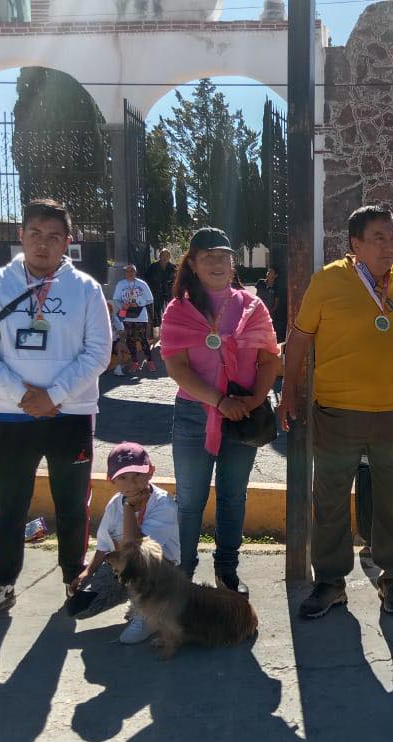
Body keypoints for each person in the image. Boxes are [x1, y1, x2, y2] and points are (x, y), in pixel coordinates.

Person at [280, 205, 393, 618]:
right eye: (378, 238)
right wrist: (289, 392)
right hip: (336, 411)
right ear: (355, 243)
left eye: (392, 237)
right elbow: (298, 340)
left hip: (391, 412)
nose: (389, 246)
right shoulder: (328, 280)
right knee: (330, 500)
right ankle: (331, 582)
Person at [0, 198, 112, 619]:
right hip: (11, 414)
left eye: (53, 237)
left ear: (68, 242)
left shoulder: (86, 289)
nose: (43, 245)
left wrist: (55, 395)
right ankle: (1, 585)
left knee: (72, 503)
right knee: (8, 504)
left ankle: (73, 581)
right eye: (35, 235)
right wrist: (23, 395)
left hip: (72, 413)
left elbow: (98, 353)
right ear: (21, 236)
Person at [160, 228, 281, 593]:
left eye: (223, 256)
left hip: (242, 416)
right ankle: (182, 573)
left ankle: (227, 570)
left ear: (233, 264)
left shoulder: (252, 306)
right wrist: (219, 402)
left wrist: (254, 401)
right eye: (207, 256)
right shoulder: (178, 310)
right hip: (196, 415)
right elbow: (177, 368)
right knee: (191, 500)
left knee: (233, 495)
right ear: (192, 264)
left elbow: (268, 359)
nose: (217, 263)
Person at [66, 442, 180, 645]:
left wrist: (129, 508)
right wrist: (88, 572)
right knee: (79, 608)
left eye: (138, 474)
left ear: (151, 472)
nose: (132, 483)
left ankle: (150, 614)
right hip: (124, 569)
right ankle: (135, 598)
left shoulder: (163, 504)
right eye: (123, 478)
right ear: (112, 480)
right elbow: (104, 545)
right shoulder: (114, 503)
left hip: (157, 570)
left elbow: (135, 550)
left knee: (140, 565)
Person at [112, 264, 156, 374]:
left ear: (135, 272)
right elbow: (116, 299)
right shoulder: (120, 284)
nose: (129, 273)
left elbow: (150, 299)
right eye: (127, 271)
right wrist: (123, 305)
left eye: (132, 271)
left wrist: (139, 303)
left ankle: (150, 361)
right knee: (130, 339)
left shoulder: (142, 284)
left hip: (140, 315)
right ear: (125, 273)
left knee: (142, 339)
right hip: (127, 315)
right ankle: (135, 362)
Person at [145, 248, 177, 328]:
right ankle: (158, 329)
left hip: (169, 293)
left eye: (167, 255)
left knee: (171, 310)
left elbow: (177, 280)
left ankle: (171, 326)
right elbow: (147, 279)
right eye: (163, 255)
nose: (165, 257)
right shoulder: (153, 267)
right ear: (160, 256)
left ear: (169, 257)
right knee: (156, 312)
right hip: (157, 292)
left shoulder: (173, 267)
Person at [255, 266, 284, 339]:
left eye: (271, 272)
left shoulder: (276, 287)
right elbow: (256, 296)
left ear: (275, 275)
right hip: (257, 311)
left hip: (268, 314)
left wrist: (270, 311)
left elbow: (276, 303)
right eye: (268, 271)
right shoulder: (260, 282)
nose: (268, 273)